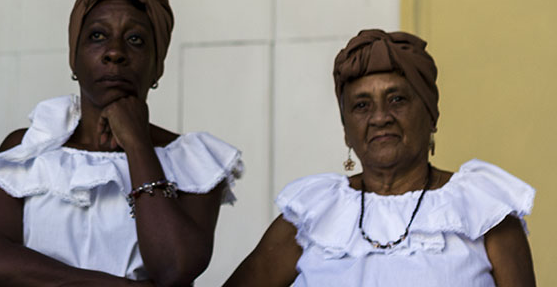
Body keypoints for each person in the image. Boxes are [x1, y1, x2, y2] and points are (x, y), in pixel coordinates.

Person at [0, 0, 243, 286]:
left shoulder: (193, 161)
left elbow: (173, 269)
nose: (115, 52)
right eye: (97, 36)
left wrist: (137, 144)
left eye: (135, 40)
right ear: (74, 58)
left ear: (157, 66)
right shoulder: (29, 148)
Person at [224, 29, 535, 287]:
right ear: (346, 131)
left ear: (431, 115)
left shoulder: (483, 213)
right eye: (362, 105)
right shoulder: (311, 216)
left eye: (397, 99)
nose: (380, 117)